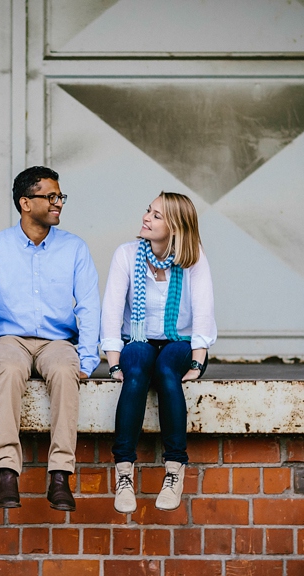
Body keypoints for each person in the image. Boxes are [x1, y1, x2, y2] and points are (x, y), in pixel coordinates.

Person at [0, 166, 100, 511]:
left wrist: (86, 359)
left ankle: (60, 476)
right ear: (25, 203)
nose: (58, 203)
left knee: (67, 371)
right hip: (10, 339)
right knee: (7, 368)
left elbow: (89, 306)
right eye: (50, 197)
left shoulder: (74, 249)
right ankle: (7, 473)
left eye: (60, 196)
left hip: (57, 342)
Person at [101, 192, 216, 514]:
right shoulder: (126, 255)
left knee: (167, 372)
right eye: (148, 211)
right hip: (137, 339)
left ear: (176, 227)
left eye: (156, 216)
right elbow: (111, 309)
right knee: (136, 373)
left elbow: (203, 309)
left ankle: (174, 470)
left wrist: (197, 359)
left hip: (180, 341)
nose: (146, 218)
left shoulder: (193, 258)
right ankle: (124, 472)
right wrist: (113, 360)